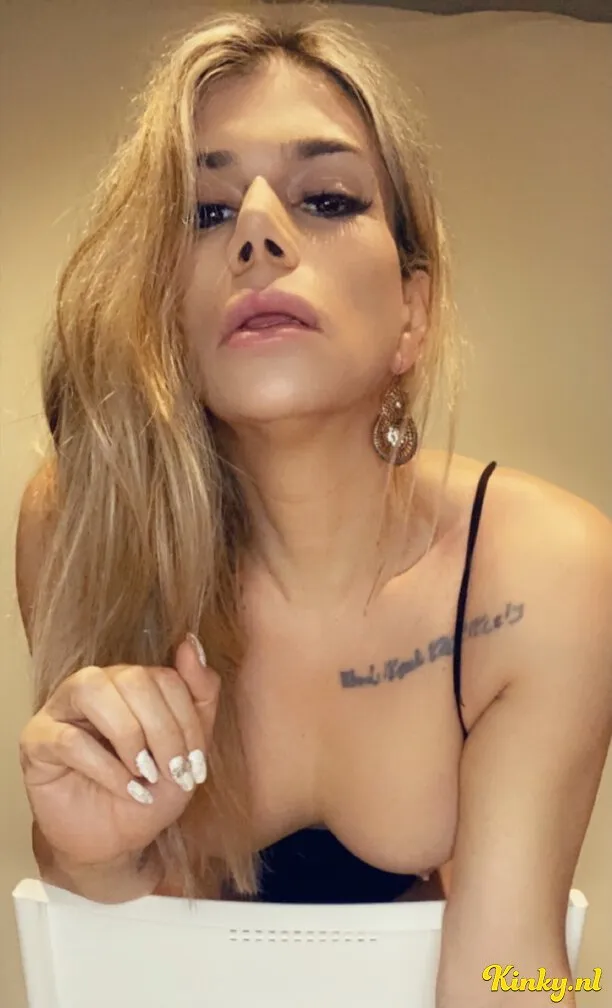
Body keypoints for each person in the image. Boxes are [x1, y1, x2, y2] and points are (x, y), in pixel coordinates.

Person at [15, 10, 612, 1005]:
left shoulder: (544, 571)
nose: (257, 230)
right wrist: (90, 855)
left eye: (327, 198)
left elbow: (511, 972)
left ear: (413, 312)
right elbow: (115, 934)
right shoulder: (85, 523)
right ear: (164, 310)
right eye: (205, 213)